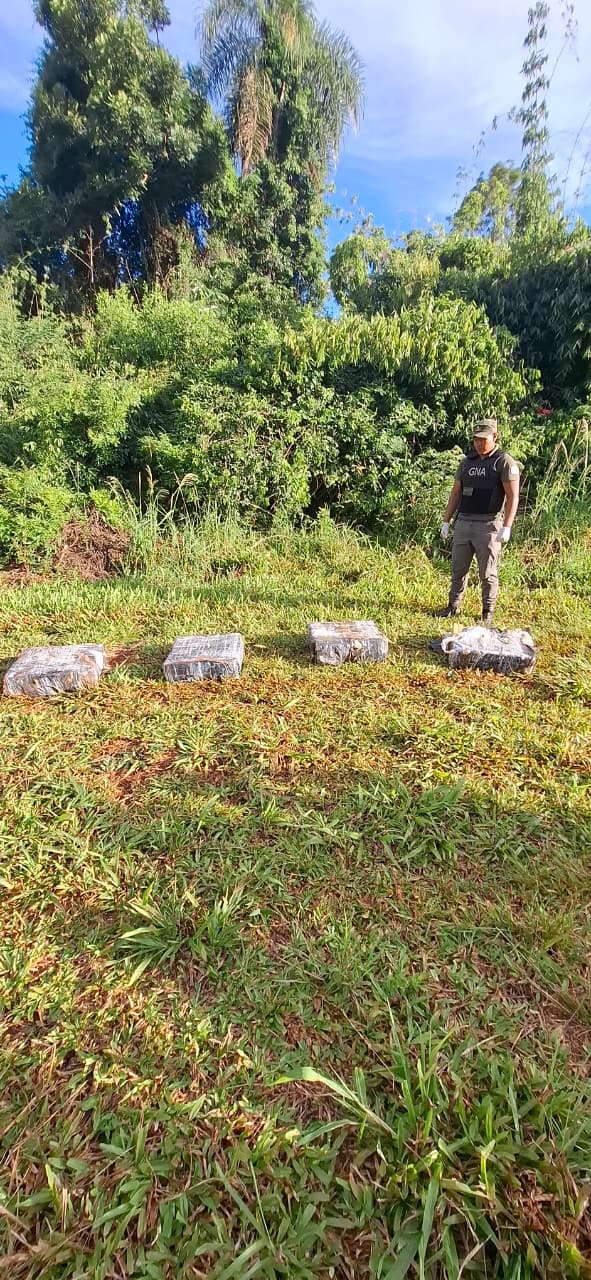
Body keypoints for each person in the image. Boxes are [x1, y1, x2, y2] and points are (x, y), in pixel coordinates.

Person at [436, 418, 520, 625]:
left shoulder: (504, 462)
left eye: (483, 439)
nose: (479, 443)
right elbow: (455, 493)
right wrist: (446, 521)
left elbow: (513, 496)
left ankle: (487, 612)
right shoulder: (466, 462)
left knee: (487, 573)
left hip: (489, 525)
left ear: (495, 437)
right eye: (475, 439)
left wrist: (507, 526)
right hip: (464, 521)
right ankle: (453, 606)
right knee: (458, 569)